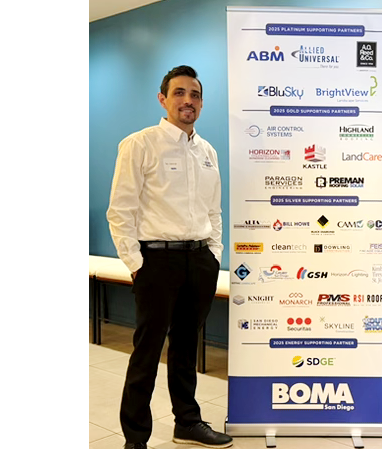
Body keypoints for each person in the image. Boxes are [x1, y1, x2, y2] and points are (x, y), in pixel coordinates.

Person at [107, 65, 232, 449]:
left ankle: (187, 423)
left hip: (200, 260)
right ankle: (135, 439)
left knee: (186, 347)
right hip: (157, 262)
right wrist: (136, 264)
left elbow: (214, 211)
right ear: (163, 99)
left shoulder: (207, 152)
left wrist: (213, 254)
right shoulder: (140, 144)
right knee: (147, 351)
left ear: (201, 103)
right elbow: (121, 210)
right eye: (179, 93)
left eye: (194, 95)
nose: (187, 101)